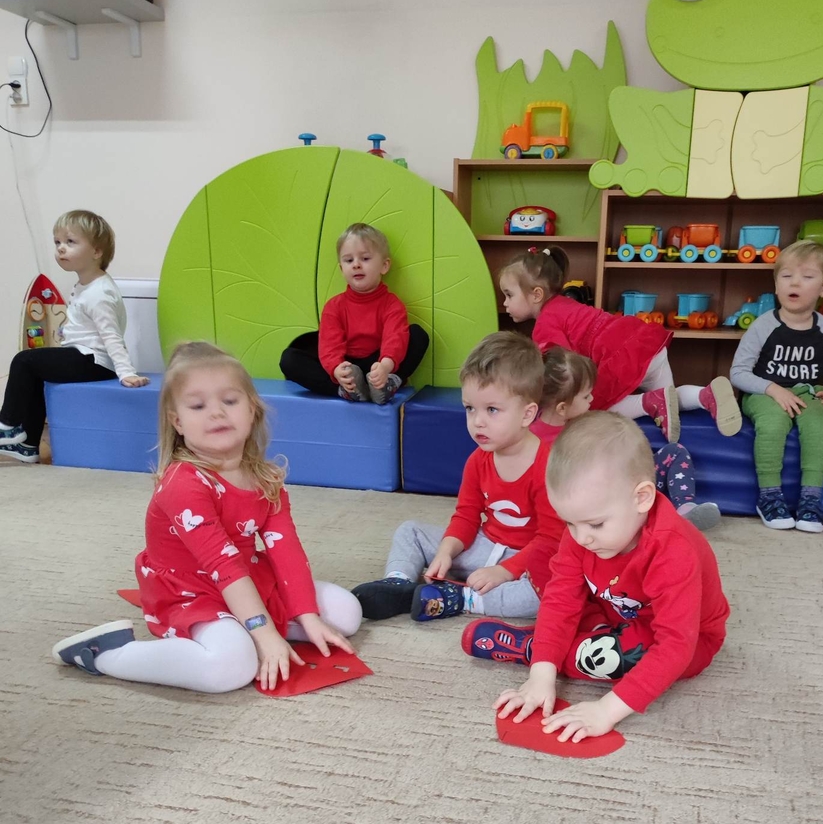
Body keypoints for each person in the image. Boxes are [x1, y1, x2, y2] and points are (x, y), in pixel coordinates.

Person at [51, 342, 362, 693]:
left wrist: (307, 614)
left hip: (246, 577)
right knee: (232, 667)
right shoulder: (183, 483)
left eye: (229, 401)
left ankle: (247, 624)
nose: (216, 412)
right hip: (190, 591)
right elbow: (223, 565)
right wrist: (264, 633)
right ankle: (106, 654)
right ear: (178, 422)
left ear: (252, 410)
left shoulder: (266, 477)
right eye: (198, 406)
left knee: (346, 613)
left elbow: (285, 548)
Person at [462, 413, 729, 744]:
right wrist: (541, 674)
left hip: (685, 638)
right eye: (570, 522)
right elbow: (560, 599)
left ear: (642, 498)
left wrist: (606, 710)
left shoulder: (673, 550)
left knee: (624, 656)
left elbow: (676, 645)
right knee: (546, 564)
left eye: (595, 524)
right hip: (613, 609)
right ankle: (556, 648)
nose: (581, 537)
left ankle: (530, 646)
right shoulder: (583, 532)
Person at [352, 331, 564, 622]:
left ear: (527, 414)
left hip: (526, 560)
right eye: (470, 408)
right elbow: (466, 516)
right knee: (410, 531)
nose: (477, 421)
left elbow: (551, 540)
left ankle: (461, 599)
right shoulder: (478, 460)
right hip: (483, 546)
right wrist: (446, 551)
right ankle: (398, 583)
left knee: (550, 592)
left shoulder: (549, 466)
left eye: (492, 410)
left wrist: (504, 571)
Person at [499, 245, 741, 443]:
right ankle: (704, 395)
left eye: (509, 295)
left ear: (537, 294)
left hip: (621, 353)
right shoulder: (565, 303)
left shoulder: (546, 322)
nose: (505, 303)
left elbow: (560, 368)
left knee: (591, 406)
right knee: (668, 399)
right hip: (646, 343)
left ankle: (648, 403)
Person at [0, 210, 148, 464]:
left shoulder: (99, 293)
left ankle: (8, 425)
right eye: (57, 242)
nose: (60, 248)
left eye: (70, 242)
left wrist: (126, 372)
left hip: (94, 361)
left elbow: (111, 335)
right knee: (35, 373)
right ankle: (28, 445)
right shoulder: (85, 284)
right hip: (84, 355)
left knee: (24, 360)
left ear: (97, 251)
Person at [534, 345, 721, 531]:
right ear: (562, 408)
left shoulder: (585, 420)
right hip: (608, 497)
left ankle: (685, 509)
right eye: (585, 396)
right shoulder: (541, 443)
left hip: (628, 482)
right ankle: (651, 516)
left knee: (674, 452)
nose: (591, 399)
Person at [729, 240, 823, 533]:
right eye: (786, 276)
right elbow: (738, 373)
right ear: (776, 284)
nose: (795, 283)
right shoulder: (763, 326)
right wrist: (772, 389)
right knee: (773, 422)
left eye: (807, 277)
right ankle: (769, 496)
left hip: (808, 393)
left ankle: (811, 499)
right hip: (763, 392)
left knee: (819, 424)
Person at [279, 223, 430, 404]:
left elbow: (395, 339)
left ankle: (386, 385)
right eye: (349, 261)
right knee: (289, 360)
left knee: (418, 335)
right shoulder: (334, 306)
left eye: (365, 258)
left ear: (384, 265)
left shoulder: (392, 305)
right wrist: (337, 369)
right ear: (342, 269)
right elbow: (329, 344)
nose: (356, 265)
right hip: (348, 367)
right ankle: (346, 390)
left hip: (379, 364)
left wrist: (385, 366)